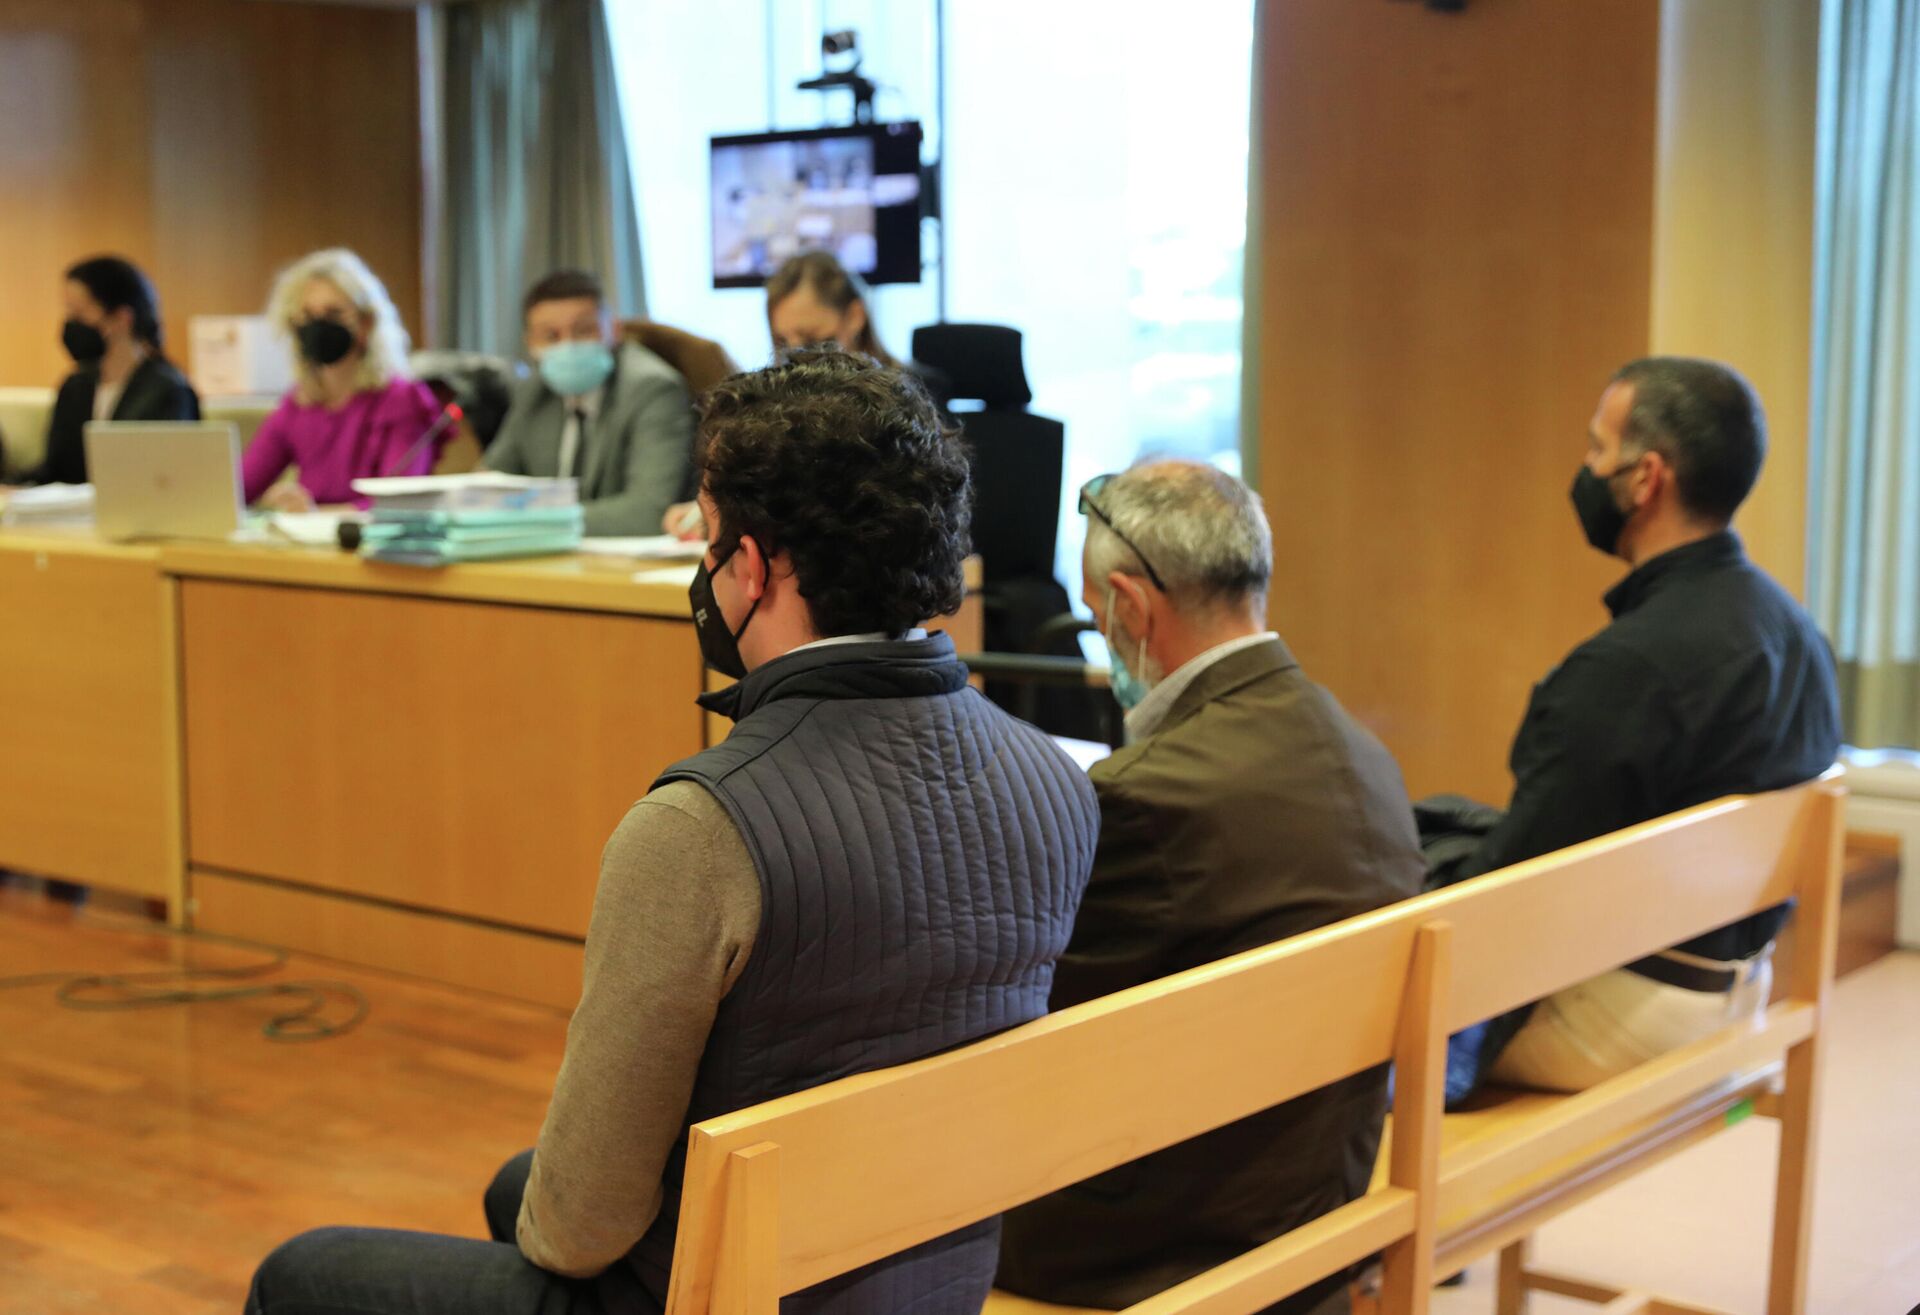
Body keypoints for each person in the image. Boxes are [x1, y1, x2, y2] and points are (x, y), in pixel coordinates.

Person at [244, 347, 1101, 1315]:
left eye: (709, 534)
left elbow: (579, 1230)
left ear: (753, 564)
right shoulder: (1057, 780)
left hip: (734, 1290)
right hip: (924, 1279)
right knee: (514, 1186)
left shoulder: (700, 830)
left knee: (302, 1274)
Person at [993, 460, 1426, 1315]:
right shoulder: (1362, 752)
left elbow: (1039, 1039)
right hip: (1320, 1190)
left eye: (1093, 615)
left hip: (1168, 1239)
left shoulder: (1144, 794)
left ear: (1131, 605)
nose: (1099, 633)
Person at [1445, 357, 1841, 1101]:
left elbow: (1514, 894)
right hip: (1738, 980)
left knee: (1343, 1030)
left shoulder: (1629, 667)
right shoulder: (1795, 630)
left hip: (1631, 1012)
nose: (1586, 470)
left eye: (1597, 450)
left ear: (1645, 478)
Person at [660, 252, 902, 539]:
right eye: (784, 343)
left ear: (855, 317)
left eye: (815, 339)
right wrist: (711, 511)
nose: (801, 357)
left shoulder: (909, 398)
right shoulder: (774, 405)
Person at [484, 270, 695, 537]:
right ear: (530, 344)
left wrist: (535, 520)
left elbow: (649, 512)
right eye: (551, 336)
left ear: (614, 331)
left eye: (584, 330)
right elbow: (488, 486)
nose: (568, 345)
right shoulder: (535, 392)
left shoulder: (652, 388)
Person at [242, 249, 440, 511]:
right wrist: (274, 503)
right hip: (307, 547)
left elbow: (398, 501)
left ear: (366, 324)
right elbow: (240, 487)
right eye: (308, 317)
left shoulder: (402, 400)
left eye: (333, 314)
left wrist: (315, 514)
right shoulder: (298, 404)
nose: (318, 326)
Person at [15, 256, 199, 486]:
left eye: (79, 315)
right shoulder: (76, 386)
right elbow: (54, 469)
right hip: (69, 518)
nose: (70, 325)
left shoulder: (169, 390)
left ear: (122, 318)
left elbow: (170, 476)